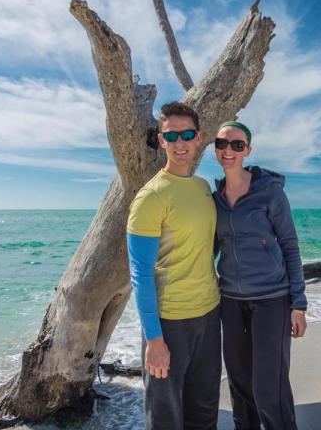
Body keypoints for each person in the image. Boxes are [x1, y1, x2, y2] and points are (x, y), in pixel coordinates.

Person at [127, 101, 221, 430]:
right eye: (172, 135)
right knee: (165, 417)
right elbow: (139, 274)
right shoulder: (151, 197)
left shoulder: (202, 188)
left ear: (198, 138)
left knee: (205, 409)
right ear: (161, 139)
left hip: (209, 316)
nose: (180, 143)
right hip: (169, 323)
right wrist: (154, 340)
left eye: (187, 134)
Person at [212, 120, 307, 430]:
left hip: (272, 300)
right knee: (240, 386)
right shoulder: (214, 200)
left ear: (247, 150)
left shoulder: (269, 193)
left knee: (269, 388)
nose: (229, 150)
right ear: (215, 149)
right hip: (230, 302)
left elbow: (290, 247)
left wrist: (299, 304)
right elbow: (208, 248)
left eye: (237, 145)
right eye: (223, 144)